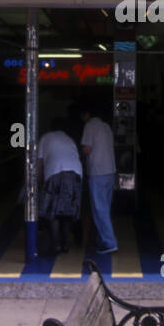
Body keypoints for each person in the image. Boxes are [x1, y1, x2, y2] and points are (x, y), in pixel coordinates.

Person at [38, 117, 83, 256]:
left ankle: (56, 245)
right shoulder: (69, 139)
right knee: (67, 212)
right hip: (75, 173)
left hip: (55, 172)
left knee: (52, 211)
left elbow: (39, 162)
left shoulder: (45, 137)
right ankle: (65, 245)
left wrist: (39, 181)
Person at [80, 104, 119, 254]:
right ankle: (102, 239)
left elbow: (87, 149)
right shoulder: (106, 127)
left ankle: (109, 243)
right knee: (105, 208)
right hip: (110, 171)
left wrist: (80, 150)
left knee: (99, 209)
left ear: (87, 114)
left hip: (97, 171)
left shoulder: (90, 126)